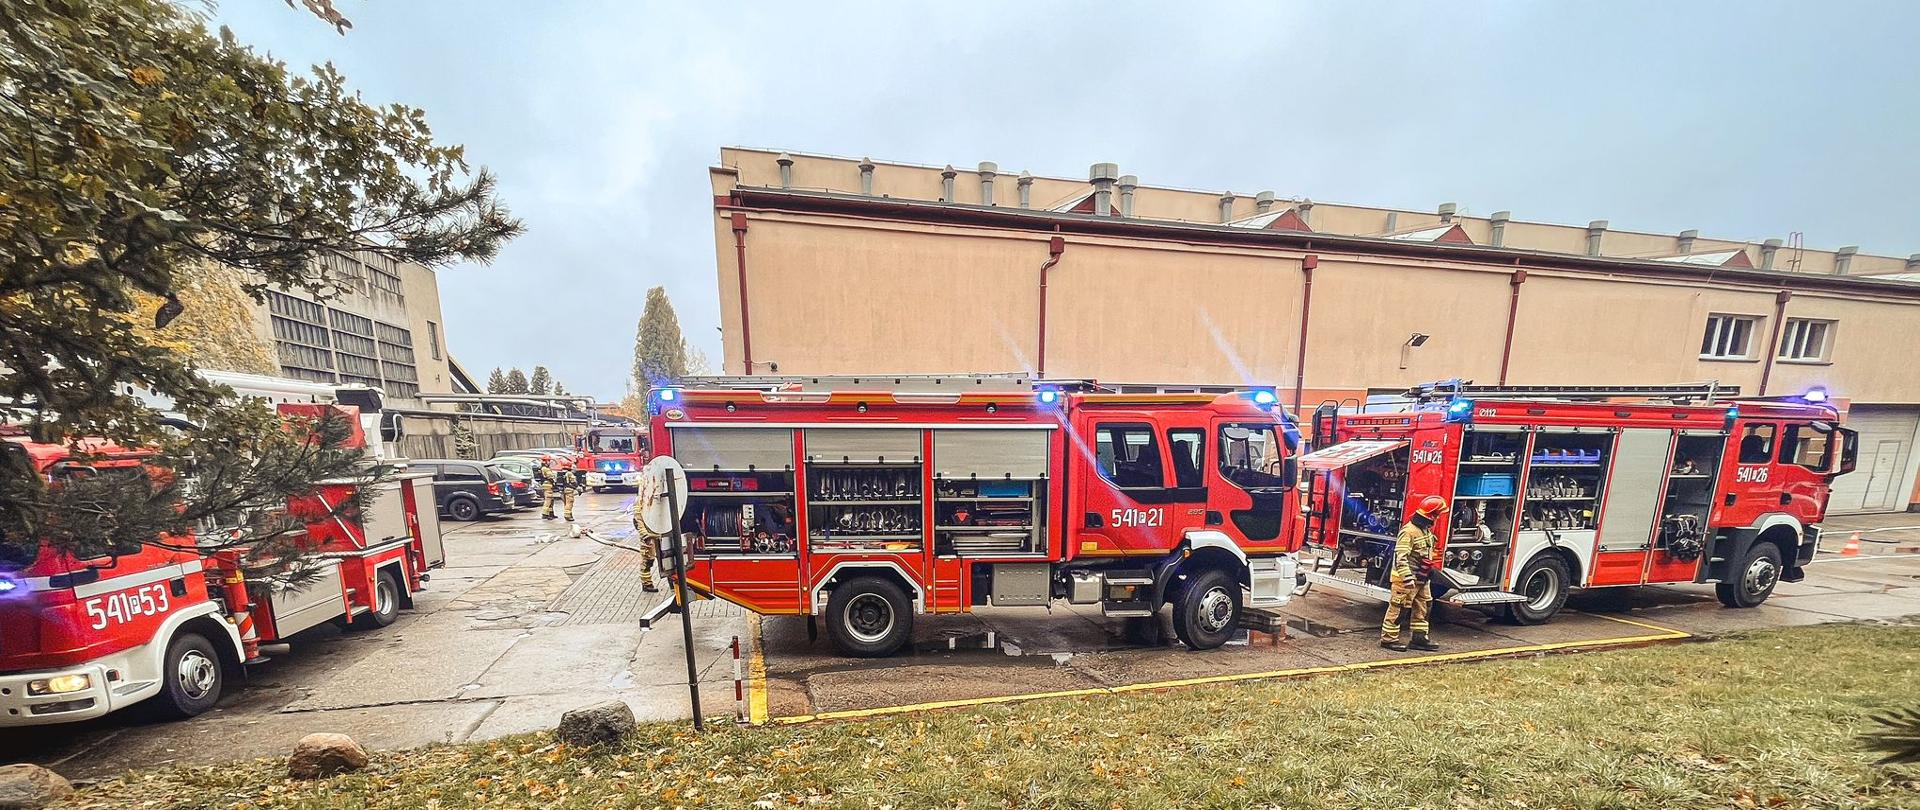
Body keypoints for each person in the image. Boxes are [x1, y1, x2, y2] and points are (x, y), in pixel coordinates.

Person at [1381, 495, 1446, 652]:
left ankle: (1419, 638)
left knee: (1424, 606)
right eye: (1437, 514)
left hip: (1422, 579)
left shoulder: (1425, 531)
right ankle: (1388, 639)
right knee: (1399, 608)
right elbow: (1400, 556)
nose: (1438, 518)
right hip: (1406, 581)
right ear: (1431, 515)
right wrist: (1407, 578)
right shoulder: (1409, 531)